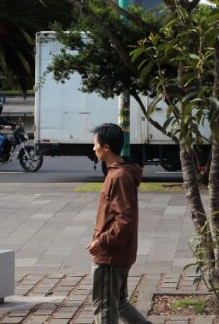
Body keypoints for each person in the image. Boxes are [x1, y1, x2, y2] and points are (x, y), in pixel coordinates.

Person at [86, 123, 151, 324]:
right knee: (119, 302)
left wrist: (102, 242)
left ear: (106, 147)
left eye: (95, 144)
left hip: (110, 256)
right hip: (117, 254)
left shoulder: (119, 176)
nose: (93, 148)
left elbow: (125, 219)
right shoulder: (118, 172)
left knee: (105, 307)